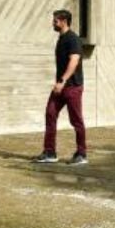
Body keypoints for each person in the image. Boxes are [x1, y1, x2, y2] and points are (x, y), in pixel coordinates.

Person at [34, 9, 87, 165]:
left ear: (64, 21)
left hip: (72, 87)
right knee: (50, 114)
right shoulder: (61, 39)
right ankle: (50, 152)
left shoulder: (73, 39)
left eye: (55, 20)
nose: (53, 23)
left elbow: (74, 61)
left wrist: (62, 80)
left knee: (76, 120)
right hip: (60, 87)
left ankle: (81, 154)